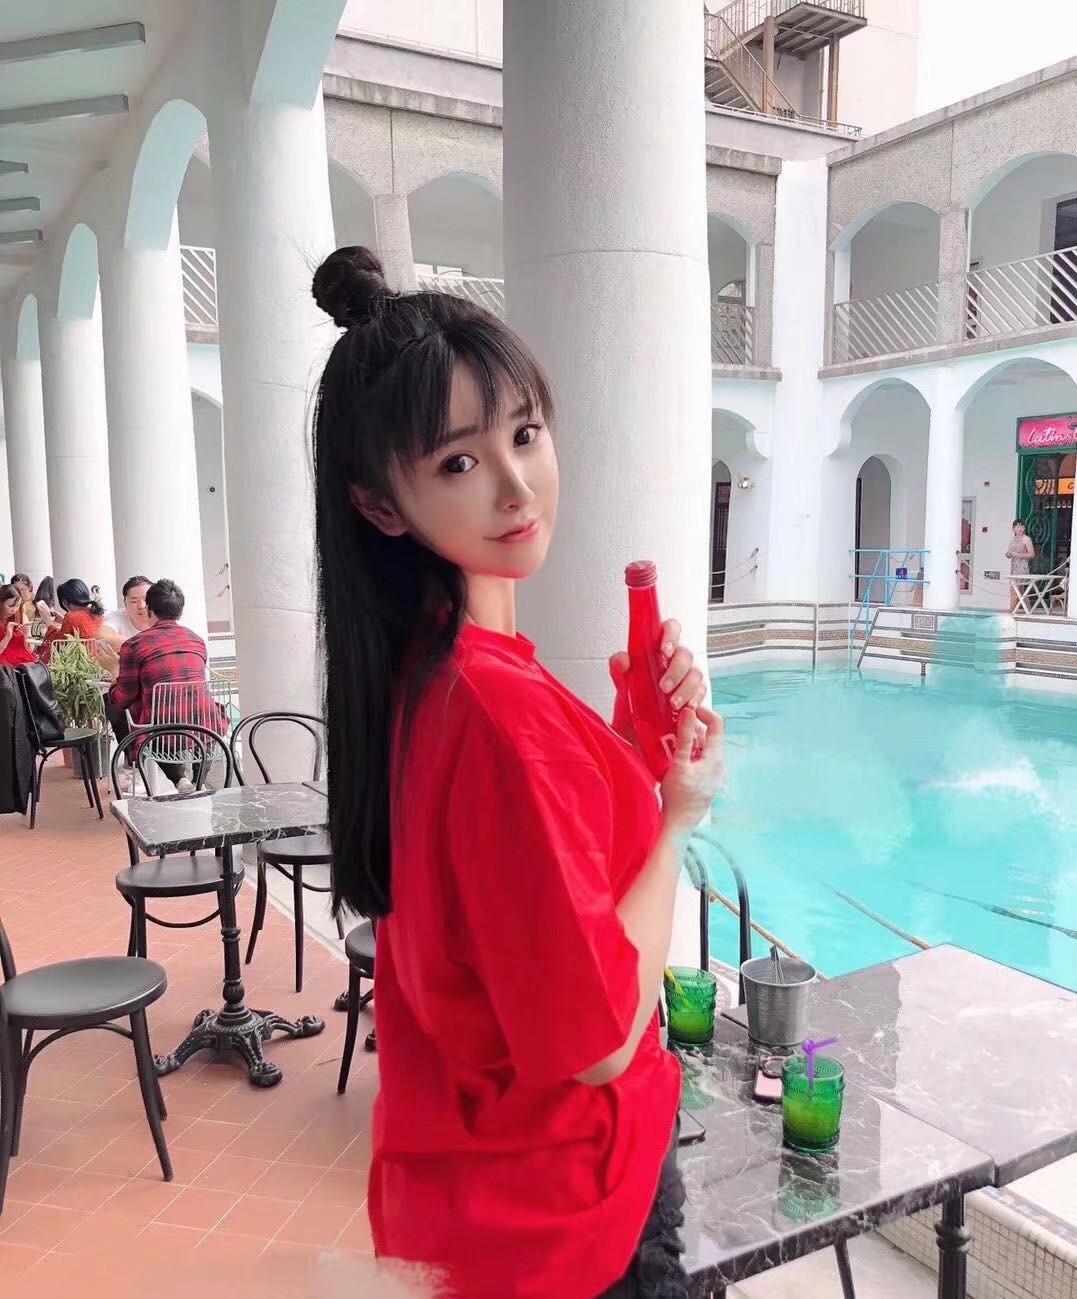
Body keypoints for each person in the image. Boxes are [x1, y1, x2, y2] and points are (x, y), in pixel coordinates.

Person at [311, 246, 724, 1299]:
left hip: (465, 1202)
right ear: (381, 504)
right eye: (458, 463)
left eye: (525, 435)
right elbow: (598, 1036)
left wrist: (625, 748)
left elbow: (515, 900)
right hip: (571, 1218)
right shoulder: (498, 711)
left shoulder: (424, 677)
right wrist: (676, 817)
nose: (515, 486)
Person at [98, 578, 226, 789]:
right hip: (207, 729)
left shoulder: (134, 645)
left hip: (162, 736)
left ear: (149, 610)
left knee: (143, 715)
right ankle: (199, 782)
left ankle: (179, 780)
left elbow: (123, 698)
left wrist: (114, 668)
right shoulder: (196, 640)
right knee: (198, 712)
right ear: (180, 612)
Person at [38, 579, 105, 664]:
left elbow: (58, 643)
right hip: (100, 659)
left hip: (82, 662)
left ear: (65, 602)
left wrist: (49, 623)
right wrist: (63, 620)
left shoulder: (72, 616)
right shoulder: (96, 612)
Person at [100, 575, 153, 647]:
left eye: (146, 599)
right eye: (134, 601)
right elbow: (102, 635)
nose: (141, 606)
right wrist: (141, 647)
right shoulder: (117, 616)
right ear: (125, 603)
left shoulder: (164, 615)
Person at [0, 585, 37, 667]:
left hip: (24, 663)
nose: (14, 610)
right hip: (4, 665)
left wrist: (27, 633)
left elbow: (30, 650)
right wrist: (7, 637)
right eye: (10, 606)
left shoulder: (21, 617)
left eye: (18, 605)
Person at [1006, 518, 1035, 613]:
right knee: (1022, 592)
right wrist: (1008, 554)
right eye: (1018, 526)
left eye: (1022, 526)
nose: (1020, 528)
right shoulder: (1012, 540)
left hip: (1022, 567)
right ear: (1013, 529)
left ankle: (1011, 611)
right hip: (1014, 567)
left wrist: (1018, 555)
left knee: (1014, 589)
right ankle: (1029, 611)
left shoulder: (1026, 539)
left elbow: (1031, 554)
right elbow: (1009, 553)